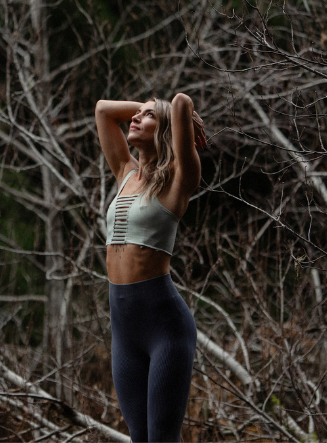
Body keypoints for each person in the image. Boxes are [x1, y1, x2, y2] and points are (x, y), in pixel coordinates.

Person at [95, 95, 206, 442]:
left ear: (167, 130)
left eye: (147, 116)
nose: (135, 118)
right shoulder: (125, 174)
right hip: (124, 330)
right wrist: (148, 109)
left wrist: (172, 114)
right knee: (139, 437)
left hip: (166, 331)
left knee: (161, 438)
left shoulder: (179, 180)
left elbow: (182, 102)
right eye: (136, 113)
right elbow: (102, 110)